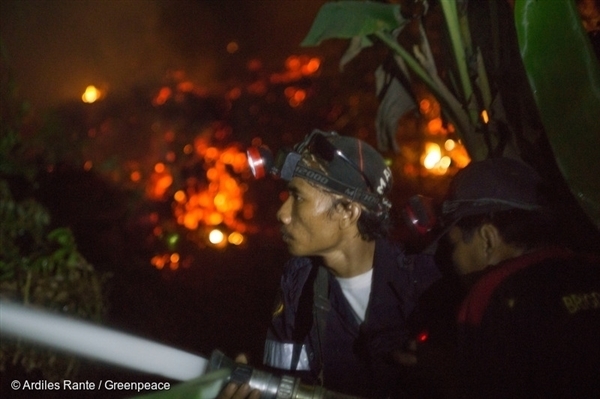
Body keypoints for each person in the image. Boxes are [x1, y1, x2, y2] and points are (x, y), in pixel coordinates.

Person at [219, 129, 440, 399]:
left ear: (347, 211)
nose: (282, 214)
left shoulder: (426, 285)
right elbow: (283, 383)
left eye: (298, 197)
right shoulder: (297, 285)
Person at [398, 157, 600, 399]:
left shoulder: (493, 295)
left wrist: (444, 373)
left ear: (487, 239)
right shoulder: (590, 267)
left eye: (454, 244)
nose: (453, 260)